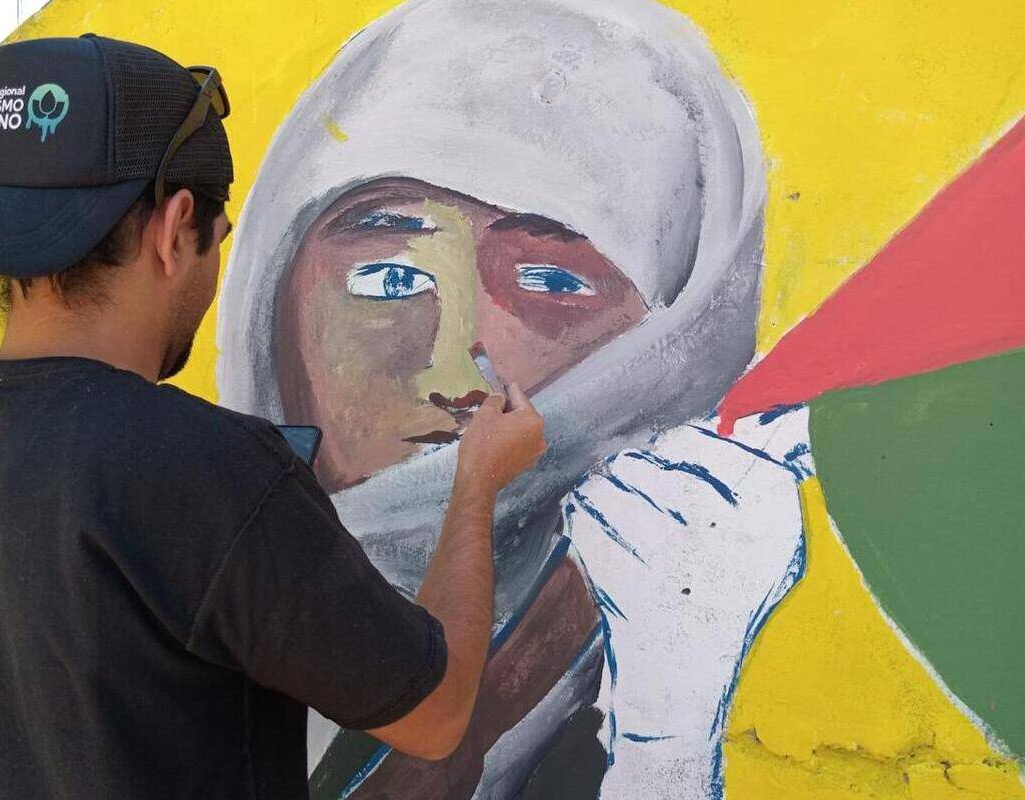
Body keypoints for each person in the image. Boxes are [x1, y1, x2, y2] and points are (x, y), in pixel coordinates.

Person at [0, 34, 547, 800]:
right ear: (176, 229)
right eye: (218, 240)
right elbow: (433, 713)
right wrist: (477, 484)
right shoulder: (199, 470)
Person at [217, 0, 811, 796]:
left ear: (682, 347)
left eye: (552, 282)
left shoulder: (661, 662)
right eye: (390, 280)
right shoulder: (200, 574)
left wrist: (667, 732)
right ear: (269, 308)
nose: (455, 371)